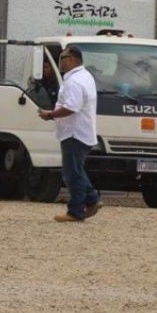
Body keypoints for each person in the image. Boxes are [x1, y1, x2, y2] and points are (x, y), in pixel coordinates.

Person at [38, 45, 101, 223]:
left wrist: (50, 114)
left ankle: (76, 211)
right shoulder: (84, 76)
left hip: (74, 133)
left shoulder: (75, 81)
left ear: (72, 59)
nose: (60, 62)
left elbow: (71, 107)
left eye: (62, 58)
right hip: (79, 131)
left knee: (72, 174)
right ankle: (91, 200)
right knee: (75, 171)